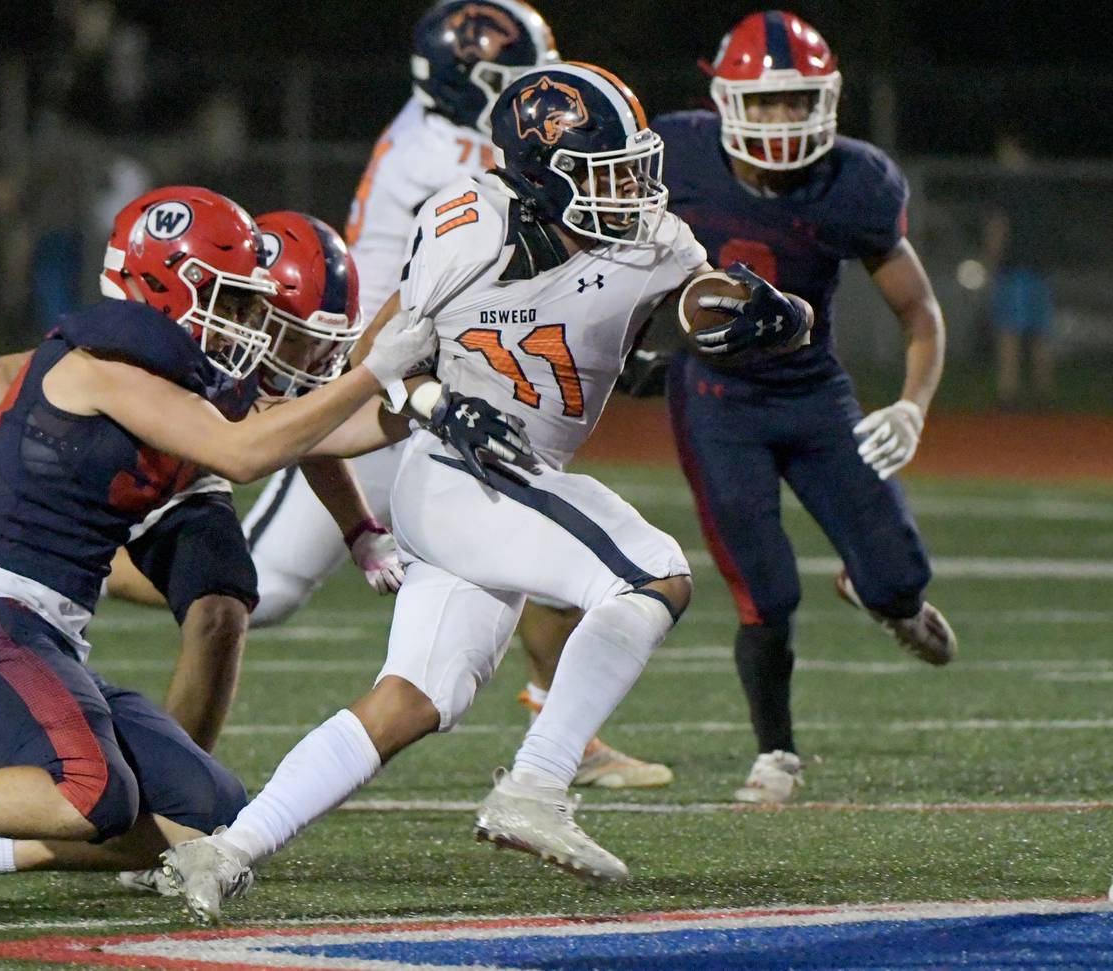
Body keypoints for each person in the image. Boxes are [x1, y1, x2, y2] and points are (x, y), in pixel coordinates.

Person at [159, 62, 816, 923]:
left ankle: (228, 848)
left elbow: (696, 299)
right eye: (605, 172)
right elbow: (385, 366)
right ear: (542, 173)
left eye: (633, 166)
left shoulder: (650, 235)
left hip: (499, 481)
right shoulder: (471, 227)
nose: (632, 189)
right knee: (652, 572)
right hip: (459, 472)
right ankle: (537, 784)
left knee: (413, 700)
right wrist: (441, 404)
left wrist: (771, 310)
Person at [0, 185, 521, 914]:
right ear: (167, 286)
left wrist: (436, 397)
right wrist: (372, 376)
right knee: (93, 792)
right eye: (228, 294)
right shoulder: (110, 368)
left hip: (49, 630)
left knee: (217, 821)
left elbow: (318, 431)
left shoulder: (173, 374)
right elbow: (248, 453)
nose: (245, 317)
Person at [239, 0, 673, 790]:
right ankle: (67, 570)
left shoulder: (441, 123)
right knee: (253, 586)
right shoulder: (445, 165)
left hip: (439, 366)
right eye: (516, 80)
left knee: (562, 537)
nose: (540, 92)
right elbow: (429, 312)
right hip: (378, 371)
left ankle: (563, 729)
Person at [0, 209, 397, 756]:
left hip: (183, 482)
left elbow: (308, 433)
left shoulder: (252, 359)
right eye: (298, 342)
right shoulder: (161, 342)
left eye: (323, 347)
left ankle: (179, 786)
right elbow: (4, 376)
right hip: (110, 480)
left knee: (224, 606)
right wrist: (50, 450)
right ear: (250, 307)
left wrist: (359, 527)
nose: (310, 363)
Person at [658, 11, 956, 803]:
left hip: (814, 396)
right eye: (767, 101)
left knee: (900, 578)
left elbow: (920, 312)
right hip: (718, 400)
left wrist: (912, 406)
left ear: (825, 100)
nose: (785, 119)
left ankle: (879, 595)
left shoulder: (854, 182)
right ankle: (776, 751)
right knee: (768, 592)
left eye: (798, 101)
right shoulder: (674, 156)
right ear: (724, 100)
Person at [982, 131, 1053, 408]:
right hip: (1038, 267)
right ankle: (1043, 393)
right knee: (1039, 334)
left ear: (1014, 149)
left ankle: (1008, 394)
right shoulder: (1042, 185)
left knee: (1008, 333)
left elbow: (997, 226)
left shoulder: (1006, 184)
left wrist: (991, 262)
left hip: (1012, 269)